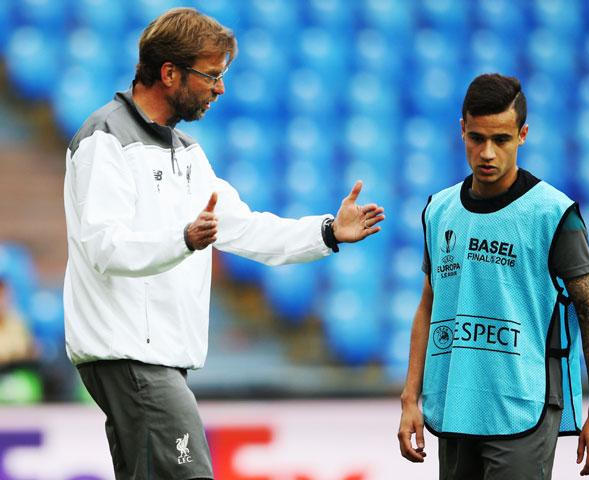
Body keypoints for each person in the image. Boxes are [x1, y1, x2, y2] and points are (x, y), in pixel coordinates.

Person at [63, 8, 384, 479]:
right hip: (131, 356)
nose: (221, 88)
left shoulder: (187, 152)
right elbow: (104, 247)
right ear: (169, 73)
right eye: (211, 75)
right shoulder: (105, 141)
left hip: (156, 360)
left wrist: (327, 232)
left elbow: (244, 228)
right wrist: (183, 238)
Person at [397, 73, 589, 479]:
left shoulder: (553, 215)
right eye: (477, 138)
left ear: (523, 134)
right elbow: (428, 305)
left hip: (522, 405)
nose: (488, 153)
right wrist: (411, 399)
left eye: (502, 139)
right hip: (456, 402)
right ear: (462, 130)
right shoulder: (439, 210)